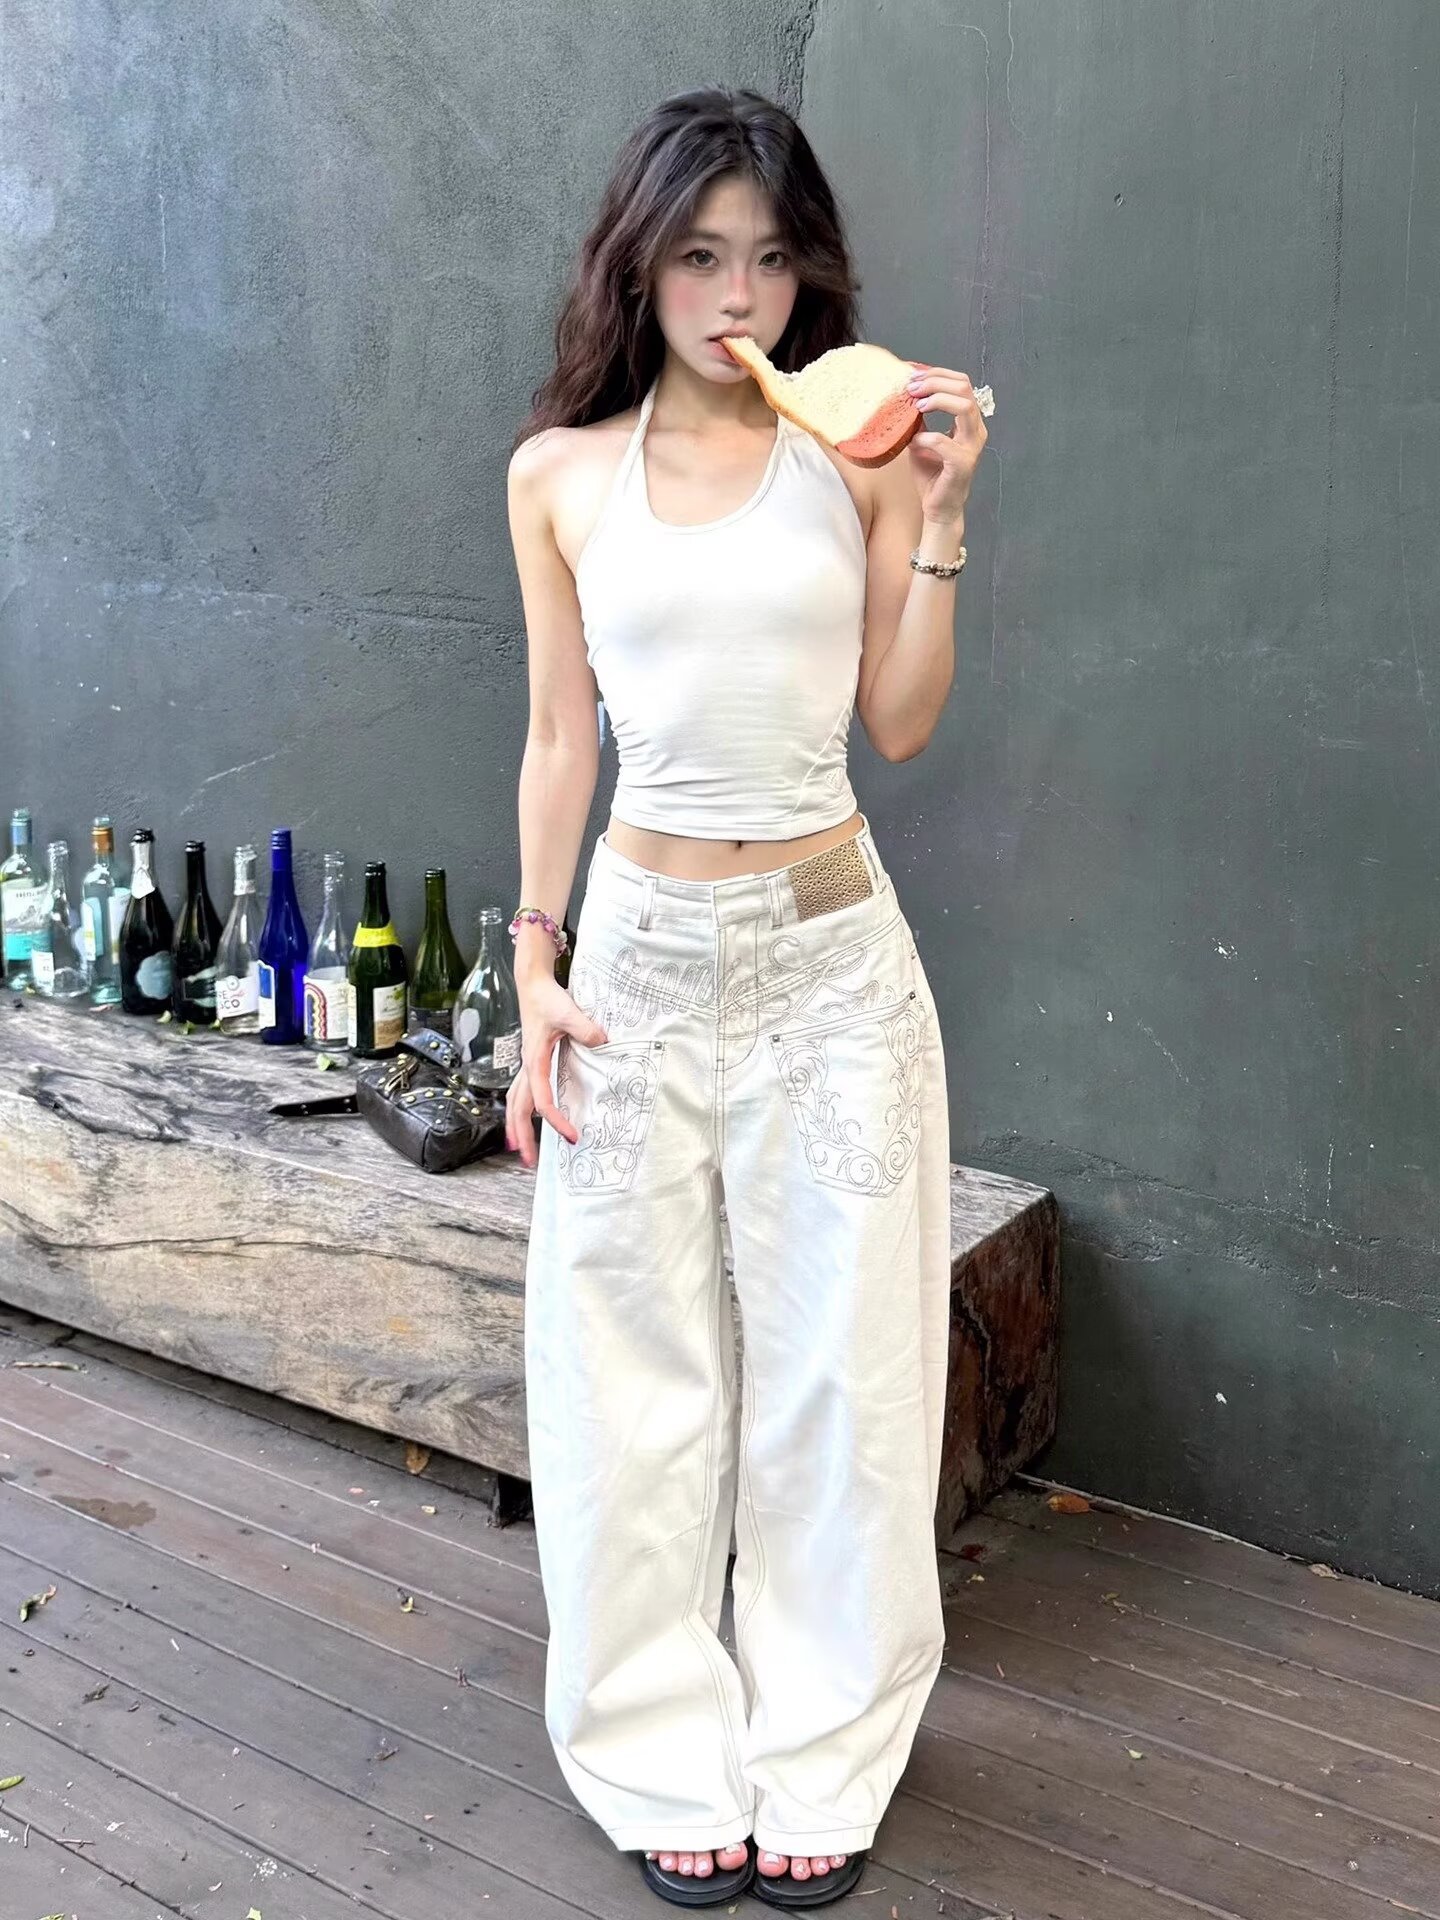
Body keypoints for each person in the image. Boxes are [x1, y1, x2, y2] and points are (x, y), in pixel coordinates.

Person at [502, 86, 987, 1911]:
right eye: (701, 256)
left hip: (827, 955)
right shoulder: (561, 476)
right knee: (622, 1367)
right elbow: (561, 739)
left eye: (772, 259)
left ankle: (825, 1745)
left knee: (844, 1372)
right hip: (629, 958)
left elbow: (903, 721)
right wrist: (533, 963)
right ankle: (649, 1741)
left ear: (808, 274)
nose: (738, 297)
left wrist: (942, 513)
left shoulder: (856, 454)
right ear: (640, 264)